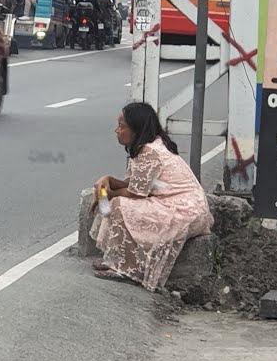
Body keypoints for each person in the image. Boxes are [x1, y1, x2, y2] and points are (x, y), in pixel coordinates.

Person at [91, 102, 214, 291]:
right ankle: (121, 262)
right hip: (183, 206)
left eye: (121, 126)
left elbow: (135, 193)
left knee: (118, 205)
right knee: (118, 203)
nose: (116, 130)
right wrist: (107, 180)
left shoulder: (149, 151)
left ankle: (127, 268)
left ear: (136, 129)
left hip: (183, 210)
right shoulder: (148, 146)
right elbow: (135, 184)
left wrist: (106, 194)